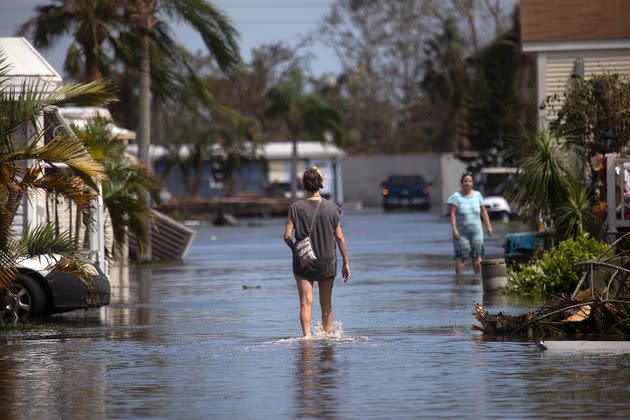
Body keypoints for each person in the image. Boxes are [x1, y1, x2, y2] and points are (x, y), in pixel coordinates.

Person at [283, 167, 350, 337]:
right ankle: (327, 338)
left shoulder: (295, 208)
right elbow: (340, 237)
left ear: (304, 185)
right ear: (321, 184)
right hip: (327, 261)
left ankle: (306, 338)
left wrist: (296, 249)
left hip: (303, 262)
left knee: (306, 302)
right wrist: (346, 262)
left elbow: (286, 236)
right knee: (326, 304)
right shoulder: (332, 208)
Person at [447, 172, 493, 277]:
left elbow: (484, 211)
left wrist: (489, 226)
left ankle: (478, 280)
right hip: (461, 233)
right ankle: (459, 281)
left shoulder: (477, 195)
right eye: (465, 181)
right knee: (462, 257)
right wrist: (454, 229)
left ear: (472, 183)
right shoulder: (456, 197)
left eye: (470, 181)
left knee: (477, 256)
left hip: (477, 232)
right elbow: (452, 213)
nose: (467, 183)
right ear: (462, 183)